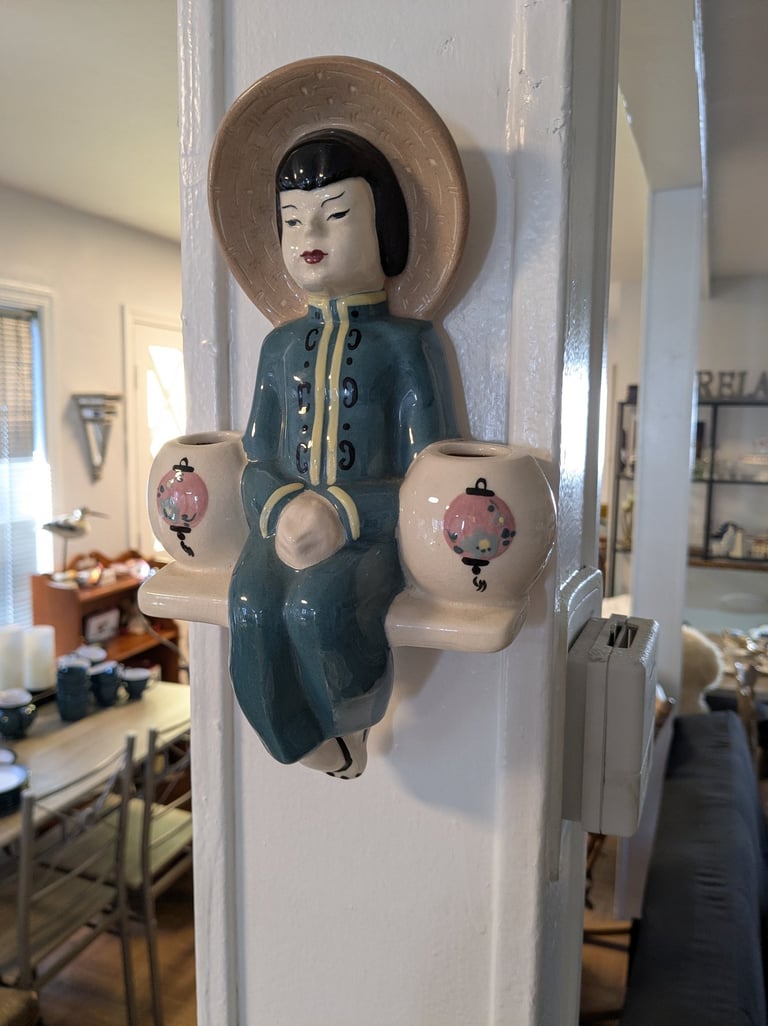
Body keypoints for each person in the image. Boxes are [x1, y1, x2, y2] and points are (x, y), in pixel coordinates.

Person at [207, 57, 469, 777]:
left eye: (337, 213)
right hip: (282, 524)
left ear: (383, 225)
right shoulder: (278, 345)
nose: (310, 231)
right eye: (292, 219)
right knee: (254, 609)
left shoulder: (409, 344)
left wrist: (347, 514)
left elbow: (428, 473)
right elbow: (257, 456)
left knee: (315, 611)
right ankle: (304, 745)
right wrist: (284, 503)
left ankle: (347, 725)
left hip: (366, 532)